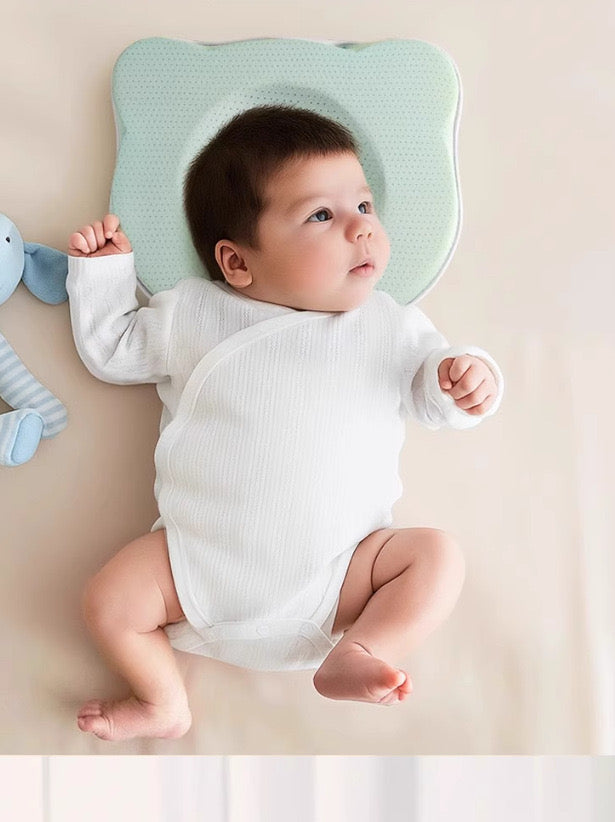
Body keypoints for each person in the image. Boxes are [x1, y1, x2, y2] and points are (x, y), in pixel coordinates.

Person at [67, 105, 502, 741]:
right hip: (197, 569)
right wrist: (105, 273)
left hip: (343, 575)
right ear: (237, 262)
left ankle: (365, 649)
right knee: (108, 599)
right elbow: (113, 350)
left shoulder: (389, 323)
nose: (361, 230)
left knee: (436, 556)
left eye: (365, 206)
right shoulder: (193, 313)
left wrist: (466, 379)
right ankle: (161, 699)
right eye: (322, 215)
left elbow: (432, 394)